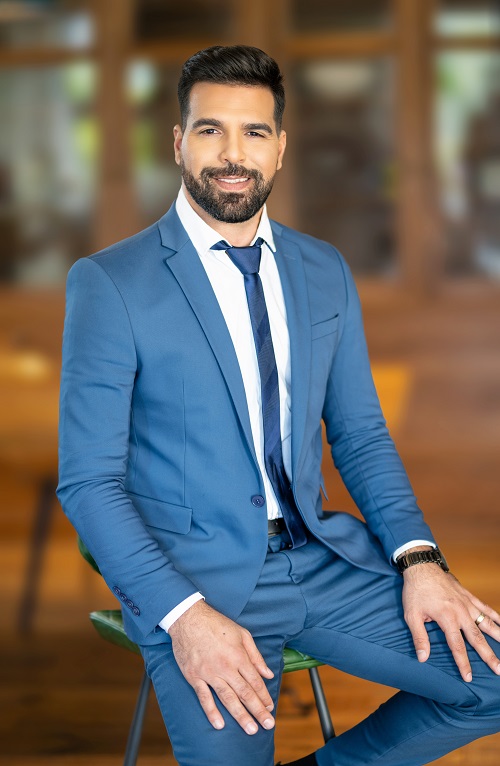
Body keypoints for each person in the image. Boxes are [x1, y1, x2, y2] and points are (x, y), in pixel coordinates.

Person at [57, 45, 500, 766]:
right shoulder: (111, 283)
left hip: (319, 559)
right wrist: (183, 616)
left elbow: (360, 435)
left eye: (254, 132)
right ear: (178, 142)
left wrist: (421, 559)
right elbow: (89, 482)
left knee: (494, 682)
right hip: (194, 582)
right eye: (211, 130)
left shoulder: (323, 269)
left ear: (281, 147)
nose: (233, 154)